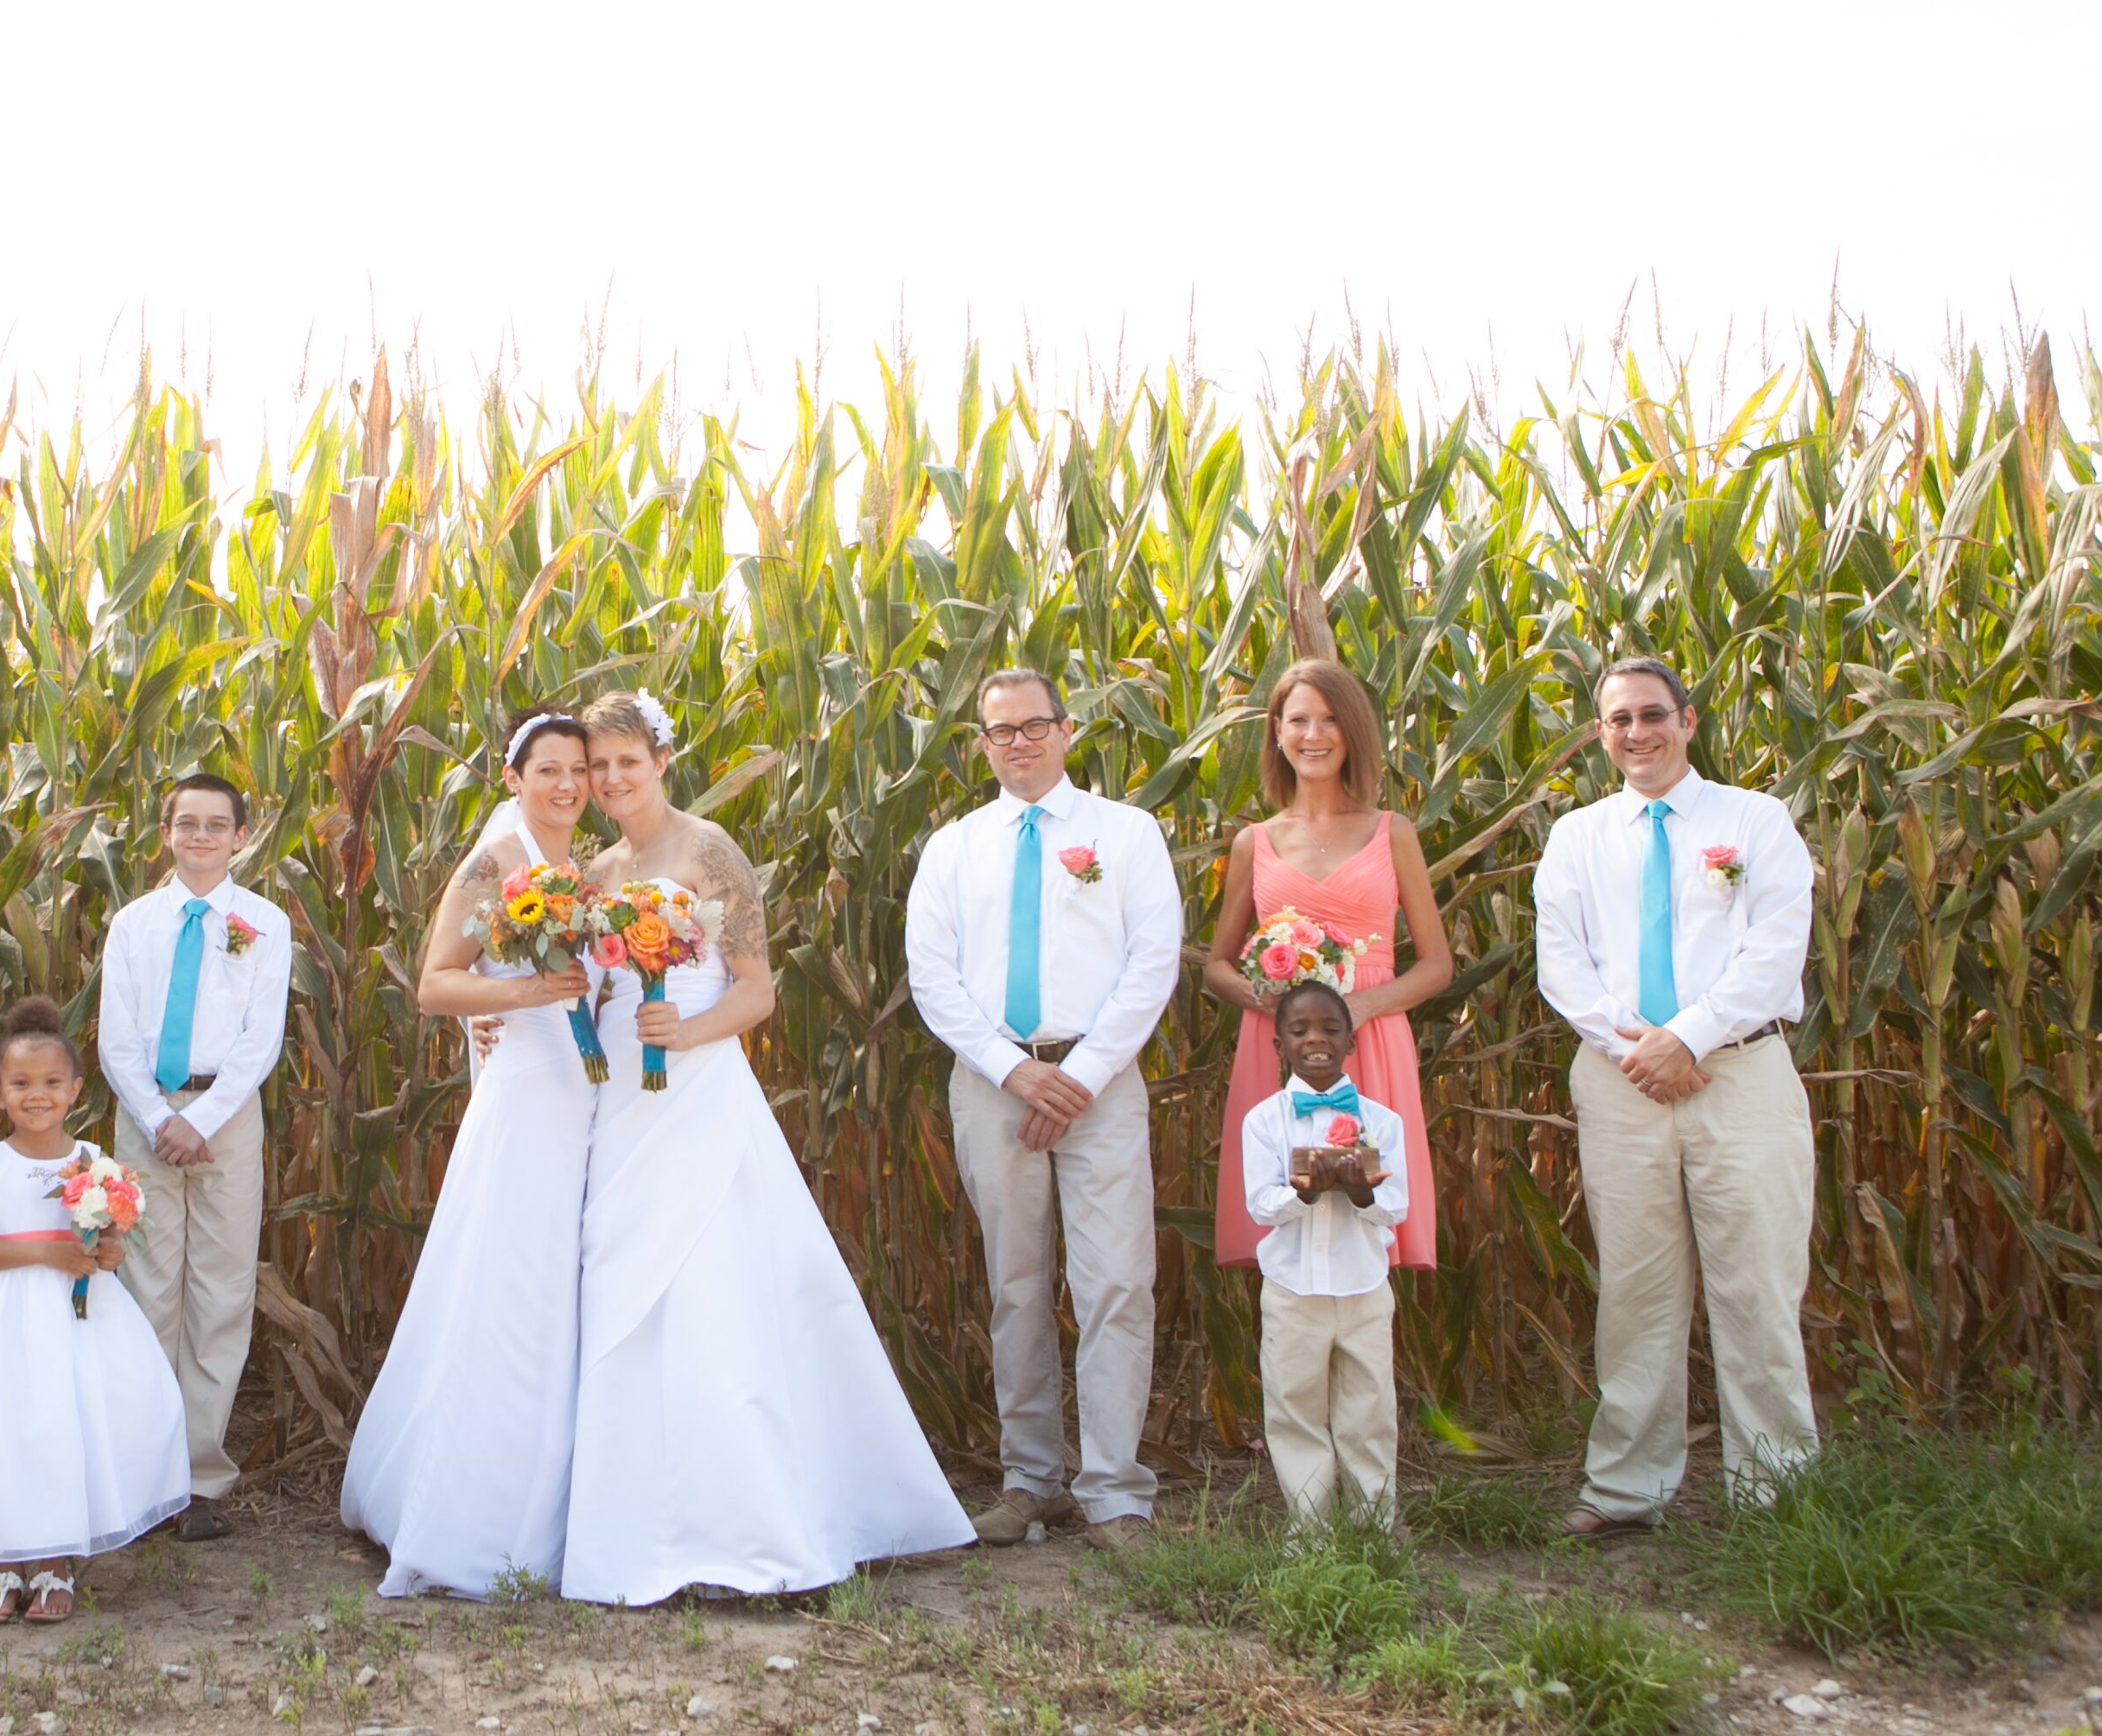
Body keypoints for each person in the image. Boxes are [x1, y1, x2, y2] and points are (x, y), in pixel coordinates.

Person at [563, 689, 971, 1604]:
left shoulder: (712, 853)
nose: (612, 778)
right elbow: (583, 992)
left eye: (628, 760)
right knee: (627, 1288)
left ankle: (748, 1525)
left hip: (698, 1090)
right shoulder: (594, 872)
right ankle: (639, 1520)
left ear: (661, 759)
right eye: (597, 765)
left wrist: (688, 1032)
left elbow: (757, 992)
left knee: (714, 1293)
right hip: (622, 1099)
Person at [1533, 656, 1819, 1534]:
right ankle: (1626, 1489)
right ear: (1599, 734)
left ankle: (1777, 1498)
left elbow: (1776, 948)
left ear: (1688, 721)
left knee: (1758, 1284)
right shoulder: (1577, 837)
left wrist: (1687, 1036)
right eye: (1617, 720)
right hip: (1621, 1080)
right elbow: (1563, 962)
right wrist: (1641, 1047)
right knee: (1637, 1289)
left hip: (1740, 1071)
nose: (1635, 733)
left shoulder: (1755, 821)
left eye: (1652, 714)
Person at [905, 667, 1183, 1545]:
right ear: (980, 744)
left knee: (1116, 1283)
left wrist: (1084, 1075)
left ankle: (1115, 1493)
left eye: (1034, 727)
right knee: (1016, 1285)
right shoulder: (954, 848)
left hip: (1099, 1084)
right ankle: (1031, 1481)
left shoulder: (1125, 834)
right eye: (1000, 732)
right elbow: (933, 976)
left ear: (1068, 731)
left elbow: (1153, 961)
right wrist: (1012, 1071)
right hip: (995, 1086)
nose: (1018, 743)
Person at [342, 709, 602, 1597]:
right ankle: (484, 1510)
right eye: (548, 769)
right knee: (517, 1287)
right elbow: (434, 983)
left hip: (591, 1099)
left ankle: (575, 1501)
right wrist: (529, 989)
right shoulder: (497, 860)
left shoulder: (588, 868)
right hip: (531, 1093)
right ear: (513, 777)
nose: (566, 784)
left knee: (572, 1289)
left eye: (578, 769)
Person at [0, 997, 190, 1626]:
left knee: (61, 1427)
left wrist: (105, 1250)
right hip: (5, 1318)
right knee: (6, 1426)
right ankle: (4, 1561)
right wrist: (48, 1251)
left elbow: (108, 1241)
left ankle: (55, 1562)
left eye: (51, 1083)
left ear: (75, 1089)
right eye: (20, 1084)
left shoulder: (89, 1161)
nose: (36, 1095)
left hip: (75, 1321)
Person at [1205, 658, 1453, 1277]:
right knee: (1287, 1213)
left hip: (1371, 1039)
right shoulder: (1254, 842)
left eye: (1329, 720)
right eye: (1298, 720)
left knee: (1368, 1211)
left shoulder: (1390, 832)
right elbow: (1216, 965)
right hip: (1277, 1046)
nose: (1313, 735)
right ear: (1276, 732)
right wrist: (1267, 1000)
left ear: (1352, 733)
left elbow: (1437, 965)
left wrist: (1362, 1008)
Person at [95, 773, 292, 1541]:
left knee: (219, 1291)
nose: (202, 836)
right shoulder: (135, 923)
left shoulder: (264, 923)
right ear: (166, 833)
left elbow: (260, 1038)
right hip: (144, 1115)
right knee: (147, 1290)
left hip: (227, 1115)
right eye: (187, 823)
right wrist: (153, 1116)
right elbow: (115, 1035)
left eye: (218, 825)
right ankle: (144, 1474)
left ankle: (200, 1476)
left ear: (242, 836)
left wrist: (203, 1117)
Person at [1241, 981, 1410, 1527]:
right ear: (1279, 1046)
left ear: (1351, 1042)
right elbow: (1262, 1205)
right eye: (1300, 1030)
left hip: (1363, 1288)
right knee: (1294, 1408)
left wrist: (1363, 1192)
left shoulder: (1383, 1121)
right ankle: (1309, 1529)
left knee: (1370, 1409)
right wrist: (1305, 1191)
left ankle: (1373, 1526)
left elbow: (1397, 1205)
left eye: (1330, 1029)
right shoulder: (1264, 1121)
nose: (1316, 1039)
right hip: (1291, 1290)